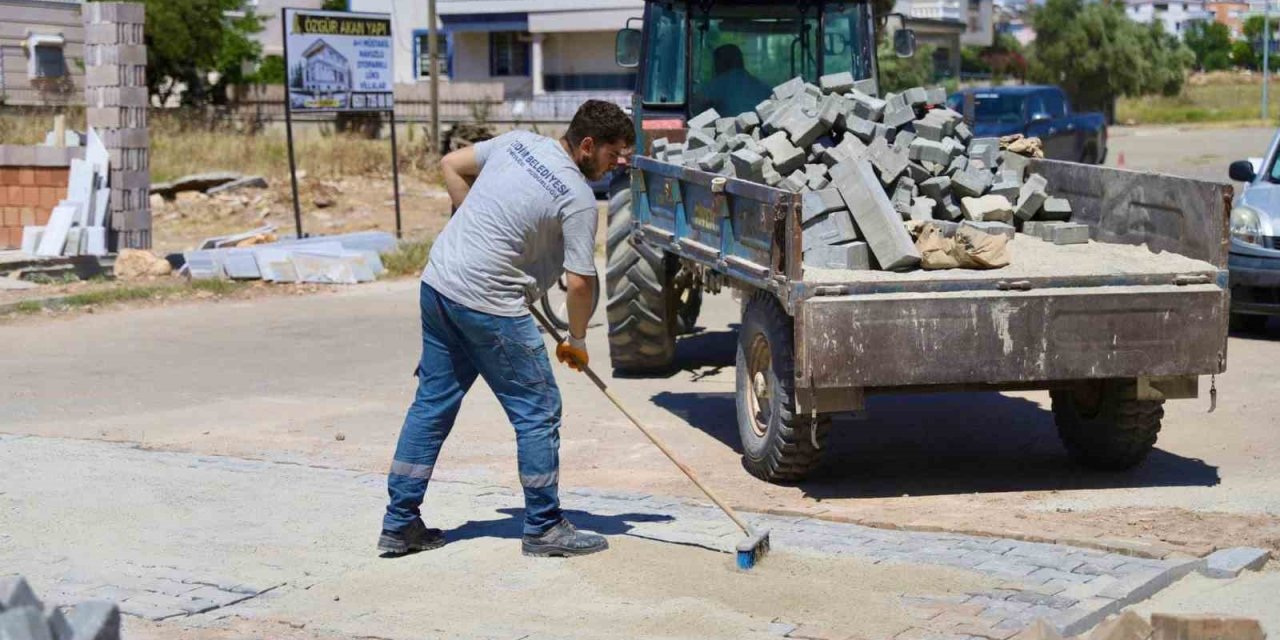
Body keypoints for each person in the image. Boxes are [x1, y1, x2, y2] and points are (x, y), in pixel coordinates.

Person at [378, 100, 634, 558]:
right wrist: (577, 341)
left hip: (439, 284)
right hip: (488, 304)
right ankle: (543, 526)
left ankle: (399, 525)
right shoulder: (576, 198)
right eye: (614, 154)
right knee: (538, 410)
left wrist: (472, 224)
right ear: (588, 145)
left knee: (432, 406)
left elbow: (451, 164)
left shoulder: (517, 142)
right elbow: (580, 284)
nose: (618, 164)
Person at [691, 44, 772, 117]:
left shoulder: (721, 83)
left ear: (720, 63)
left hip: (728, 131)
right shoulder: (762, 86)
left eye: (715, 63)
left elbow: (696, 103)